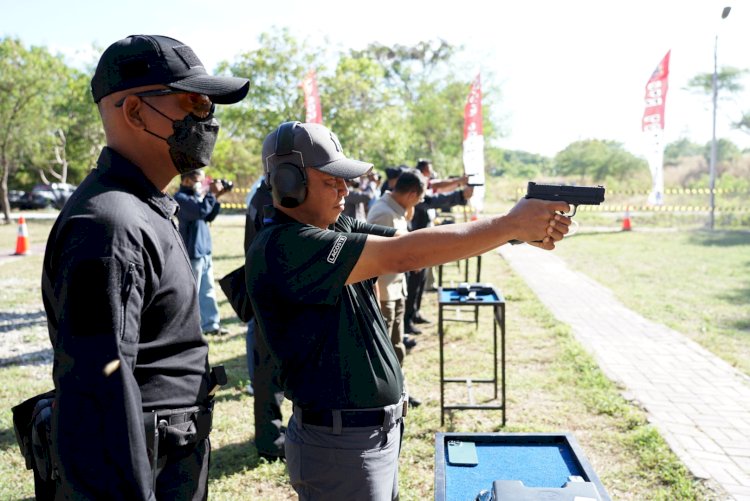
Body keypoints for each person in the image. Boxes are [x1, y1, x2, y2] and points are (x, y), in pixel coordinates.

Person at [245, 120, 571, 500]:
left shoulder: (334, 225)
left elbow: (411, 244)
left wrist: (516, 233)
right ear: (288, 183)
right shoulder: (285, 245)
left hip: (365, 436)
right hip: (341, 445)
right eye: (330, 181)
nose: (344, 190)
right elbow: (405, 254)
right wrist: (510, 224)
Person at [40, 34, 249, 500]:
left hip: (171, 461)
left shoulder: (144, 207)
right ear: (134, 111)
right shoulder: (109, 225)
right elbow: (100, 399)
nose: (206, 117)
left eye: (208, 105)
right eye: (192, 102)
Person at [366, 168, 427, 408]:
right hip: (385, 293)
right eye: (419, 199)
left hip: (396, 289)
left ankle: (399, 392)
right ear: (412, 194)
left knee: (397, 346)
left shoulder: (396, 210)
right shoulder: (385, 214)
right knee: (386, 351)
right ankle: (387, 398)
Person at [243, 176, 286, 460]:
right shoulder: (266, 199)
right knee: (268, 375)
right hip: (270, 294)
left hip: (270, 291)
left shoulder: (264, 195)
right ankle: (271, 442)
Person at [404, 159, 473, 335]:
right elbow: (432, 200)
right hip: (415, 243)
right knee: (412, 284)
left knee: (420, 283)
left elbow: (438, 188)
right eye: (430, 170)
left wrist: (459, 185)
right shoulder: (416, 188)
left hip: (424, 242)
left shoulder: (422, 184)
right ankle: (407, 320)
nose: (433, 173)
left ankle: (415, 313)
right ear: (423, 171)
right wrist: (460, 195)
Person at [175, 169, 231, 336]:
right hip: (193, 251)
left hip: (204, 249)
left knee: (208, 290)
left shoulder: (197, 196)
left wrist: (217, 196)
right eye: (198, 179)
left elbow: (208, 216)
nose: (201, 183)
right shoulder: (180, 198)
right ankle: (190, 329)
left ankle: (211, 325)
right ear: (186, 180)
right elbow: (199, 211)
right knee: (193, 293)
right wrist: (211, 195)